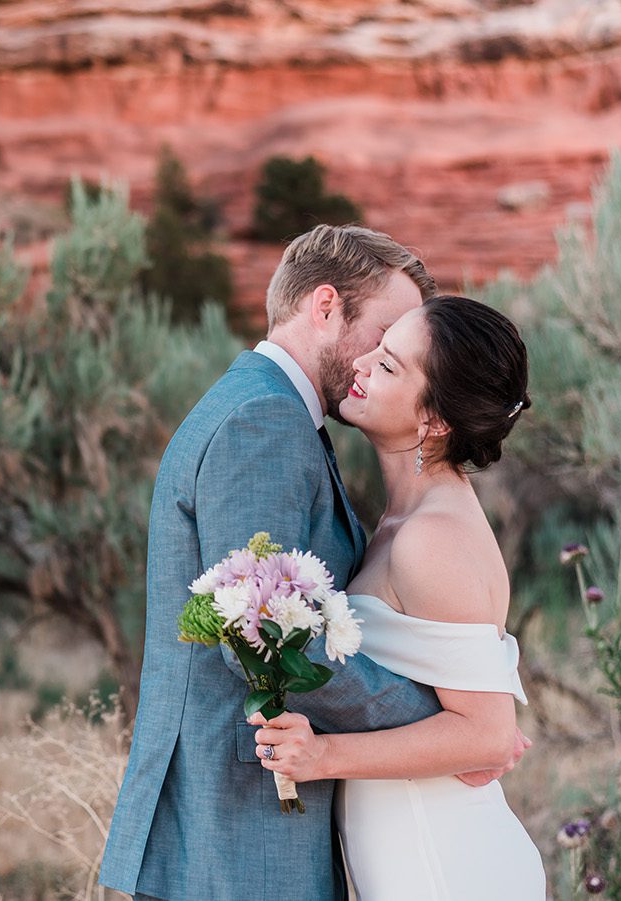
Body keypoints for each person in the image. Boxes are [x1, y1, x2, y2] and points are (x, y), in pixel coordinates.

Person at [98, 226, 528, 901]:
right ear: (326, 305)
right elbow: (261, 633)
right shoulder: (265, 421)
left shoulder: (279, 416)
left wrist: (470, 727)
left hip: (274, 829)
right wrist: (449, 727)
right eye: (382, 337)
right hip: (235, 828)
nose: (369, 364)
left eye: (392, 357)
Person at [251, 294, 546, 899]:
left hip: (444, 864)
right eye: (377, 349)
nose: (361, 364)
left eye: (387, 366)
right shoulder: (403, 522)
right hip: (413, 849)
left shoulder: (432, 540)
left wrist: (322, 756)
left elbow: (488, 736)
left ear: (434, 421)